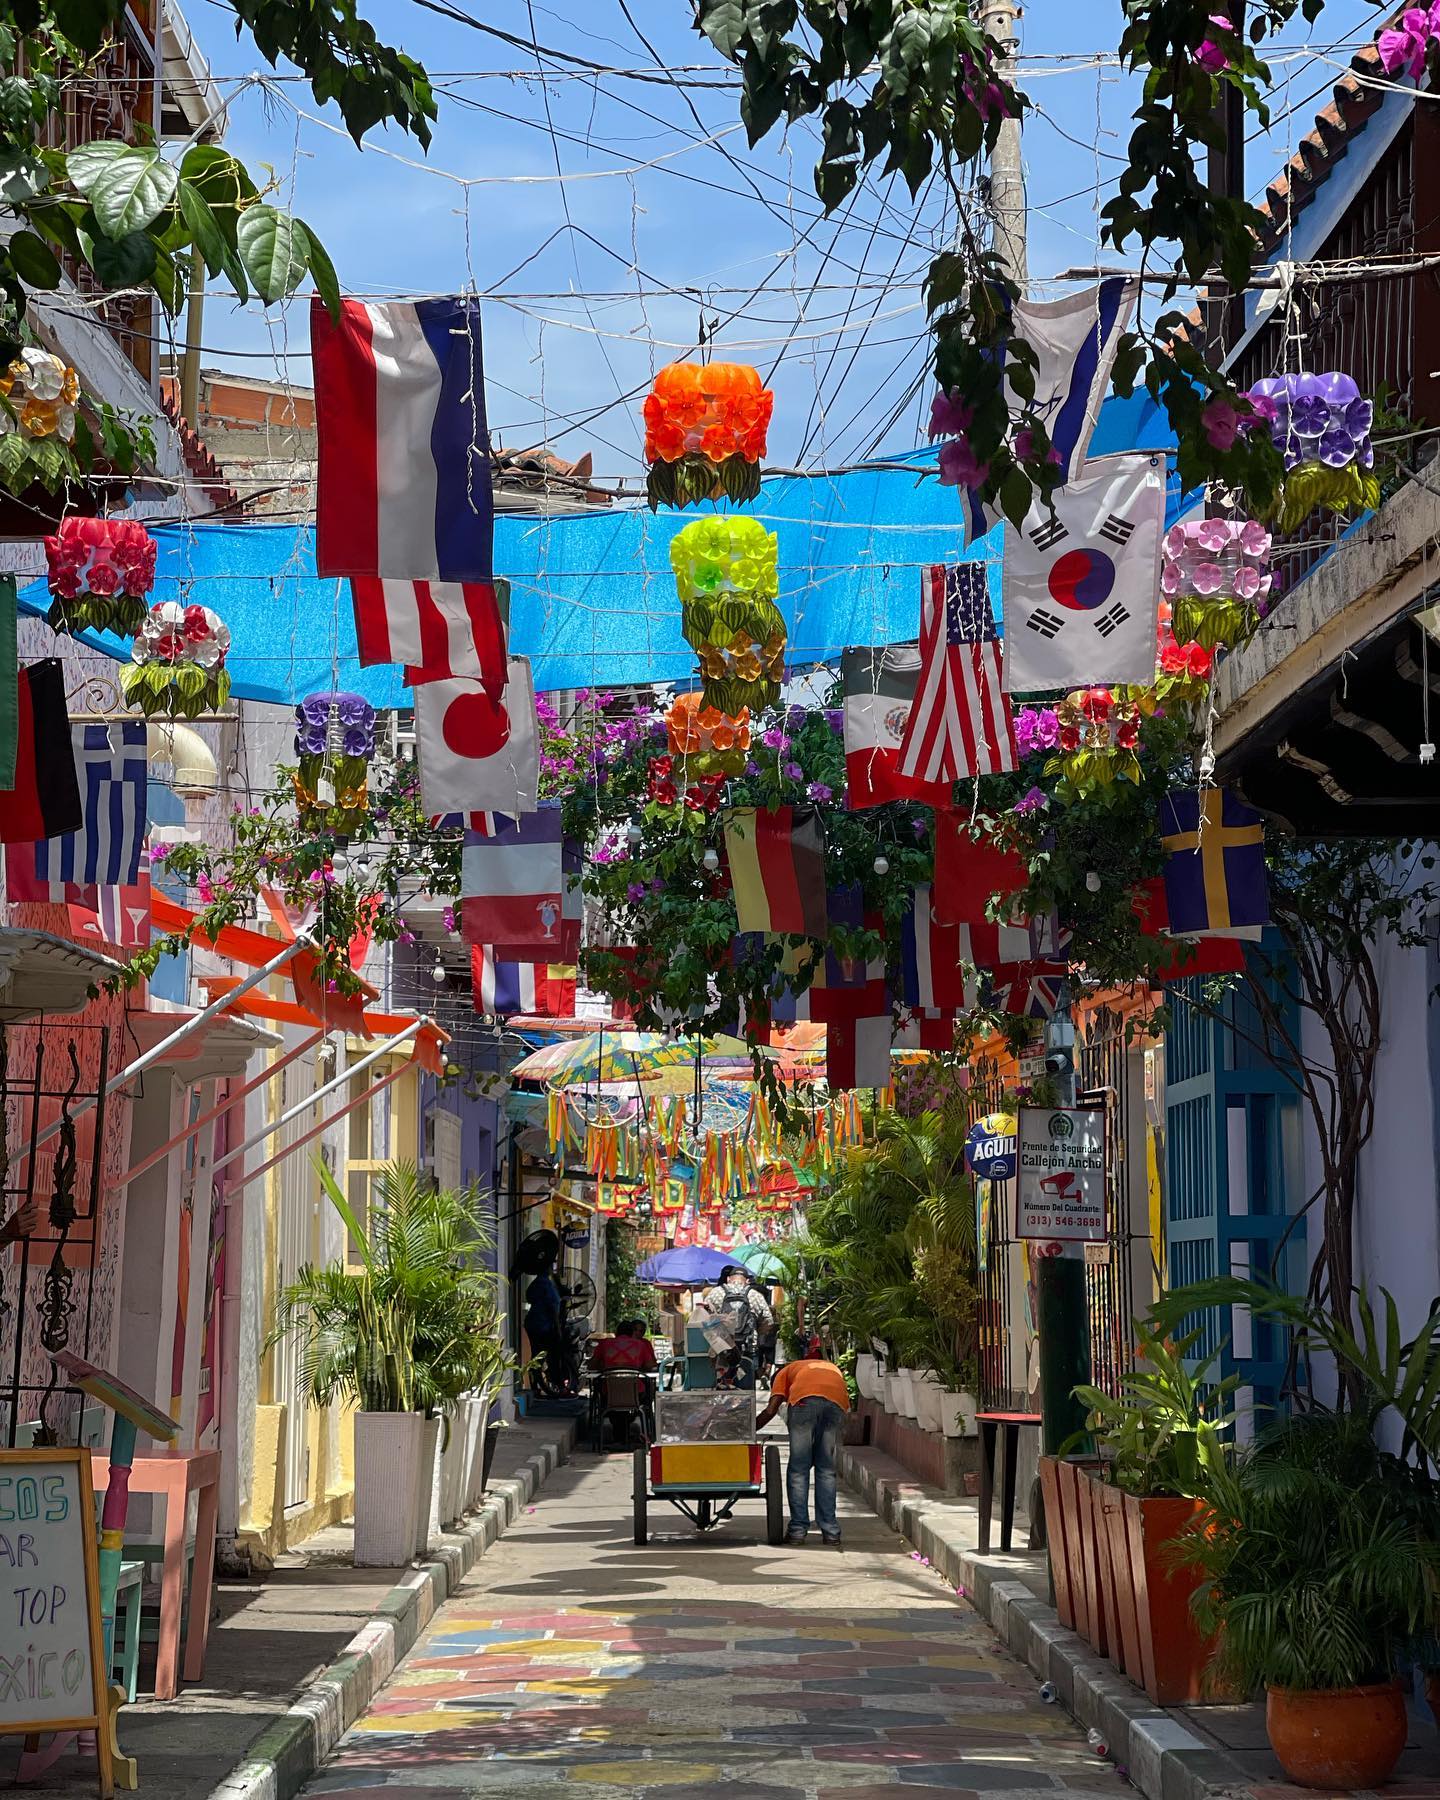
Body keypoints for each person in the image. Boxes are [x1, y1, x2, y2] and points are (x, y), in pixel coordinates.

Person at [757, 1334, 850, 1547]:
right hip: (836, 1402)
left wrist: (749, 1427)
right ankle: (831, 1532)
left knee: (799, 1467)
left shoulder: (783, 1374)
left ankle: (798, 1531)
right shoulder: (826, 1366)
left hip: (804, 1404)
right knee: (826, 1468)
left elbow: (771, 1410)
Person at [701, 1264, 772, 1390]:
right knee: (746, 1386)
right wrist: (757, 1331)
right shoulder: (755, 1295)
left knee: (722, 1384)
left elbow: (703, 1317)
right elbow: (768, 1321)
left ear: (729, 1279)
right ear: (747, 1281)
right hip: (748, 1346)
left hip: (721, 1347)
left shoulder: (716, 1292)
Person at [523, 1257, 566, 1394]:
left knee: (536, 1354)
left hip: (534, 1323)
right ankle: (552, 1381)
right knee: (548, 1354)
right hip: (543, 1325)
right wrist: (557, 1327)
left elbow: (529, 1296)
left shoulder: (537, 1283)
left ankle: (536, 1382)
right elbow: (552, 1307)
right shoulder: (545, 1284)